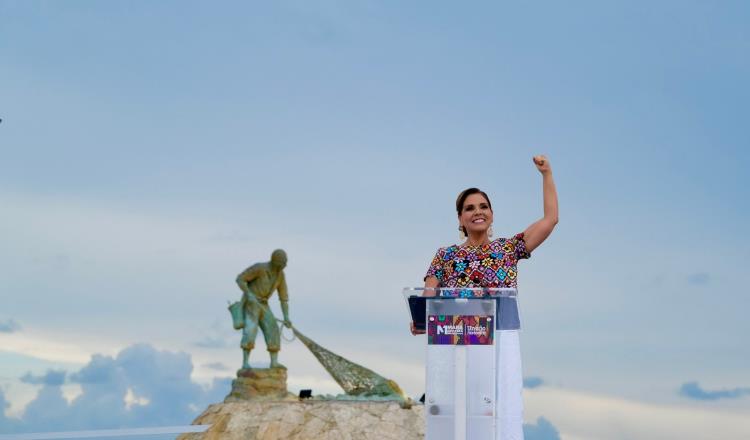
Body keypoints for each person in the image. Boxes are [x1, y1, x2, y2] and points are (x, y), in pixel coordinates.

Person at [413, 155, 558, 440]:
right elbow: (429, 295)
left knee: (501, 405)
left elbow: (551, 219)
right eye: (469, 208)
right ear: (460, 218)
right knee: (459, 412)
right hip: (456, 340)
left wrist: (546, 174)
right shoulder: (446, 255)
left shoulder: (509, 248)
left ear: (491, 212)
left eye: (483, 206)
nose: (477, 212)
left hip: (501, 338)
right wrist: (420, 318)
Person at [235, 249, 293, 370]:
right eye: (281, 264)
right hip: (251, 303)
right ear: (275, 261)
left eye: (284, 264)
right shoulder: (259, 268)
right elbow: (240, 279)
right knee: (250, 330)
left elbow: (283, 298)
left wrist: (286, 317)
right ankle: (245, 363)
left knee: (273, 329)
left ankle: (274, 362)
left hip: (264, 304)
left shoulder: (280, 275)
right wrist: (248, 294)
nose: (283, 267)